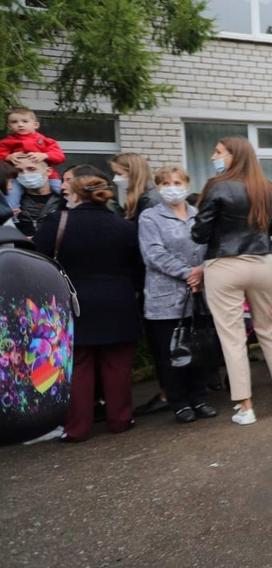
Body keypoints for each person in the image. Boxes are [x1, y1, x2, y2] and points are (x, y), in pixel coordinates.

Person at [34, 167, 144, 442]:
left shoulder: (56, 222)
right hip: (118, 301)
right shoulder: (126, 226)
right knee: (118, 365)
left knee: (77, 366)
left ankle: (77, 428)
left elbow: (39, 261)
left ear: (75, 193)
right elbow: (139, 268)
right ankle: (120, 419)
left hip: (72, 301)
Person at [191, 137, 272, 425]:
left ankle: (246, 407)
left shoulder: (216, 186)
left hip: (224, 264)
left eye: (218, 151)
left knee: (233, 337)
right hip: (262, 263)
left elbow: (199, 233)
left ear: (233, 156)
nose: (214, 156)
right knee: (267, 329)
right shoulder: (267, 187)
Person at [138, 166, 217, 424]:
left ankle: (200, 398)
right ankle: (179, 402)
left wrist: (202, 271)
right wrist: (188, 273)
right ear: (159, 188)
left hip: (198, 295)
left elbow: (213, 247)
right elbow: (153, 254)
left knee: (199, 348)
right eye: (166, 183)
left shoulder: (199, 215)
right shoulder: (150, 217)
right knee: (170, 353)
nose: (172, 187)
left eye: (177, 182)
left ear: (186, 184)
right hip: (166, 297)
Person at [2, 107, 64, 212]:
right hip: (17, 177)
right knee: (12, 194)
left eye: (25, 121)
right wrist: (8, 156)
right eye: (14, 122)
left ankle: (74, 209)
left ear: (35, 124)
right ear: (9, 126)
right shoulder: (7, 142)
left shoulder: (46, 141)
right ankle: (11, 216)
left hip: (49, 177)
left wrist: (45, 155)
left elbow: (60, 156)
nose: (20, 125)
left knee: (64, 190)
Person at [12, 158, 65, 238]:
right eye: (19, 170)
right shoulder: (13, 202)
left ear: (48, 171)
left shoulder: (65, 200)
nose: (25, 174)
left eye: (31, 169)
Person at [109, 153, 161, 221]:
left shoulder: (149, 199)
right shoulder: (139, 196)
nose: (115, 178)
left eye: (119, 174)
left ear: (133, 173)